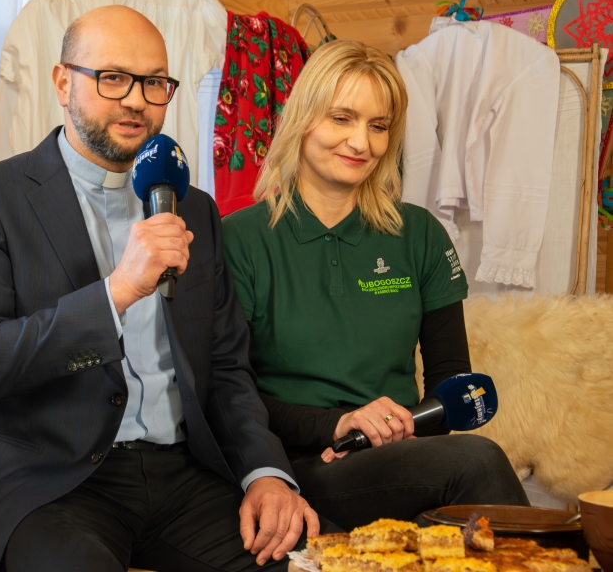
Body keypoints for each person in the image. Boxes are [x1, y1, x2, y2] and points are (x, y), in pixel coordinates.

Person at [0, 5, 332, 572]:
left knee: (328, 563)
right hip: (46, 485)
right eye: (113, 78)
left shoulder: (193, 208)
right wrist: (116, 292)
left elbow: (225, 369)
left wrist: (265, 474)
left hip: (184, 478)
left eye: (154, 83)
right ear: (62, 82)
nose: (137, 100)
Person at [222, 39, 530, 532]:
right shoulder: (239, 239)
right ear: (303, 118)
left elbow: (451, 383)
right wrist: (339, 424)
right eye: (341, 118)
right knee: (477, 462)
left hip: (397, 456)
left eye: (378, 126)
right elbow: (226, 392)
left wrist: (406, 427)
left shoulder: (420, 234)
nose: (361, 143)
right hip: (295, 466)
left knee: (466, 487)